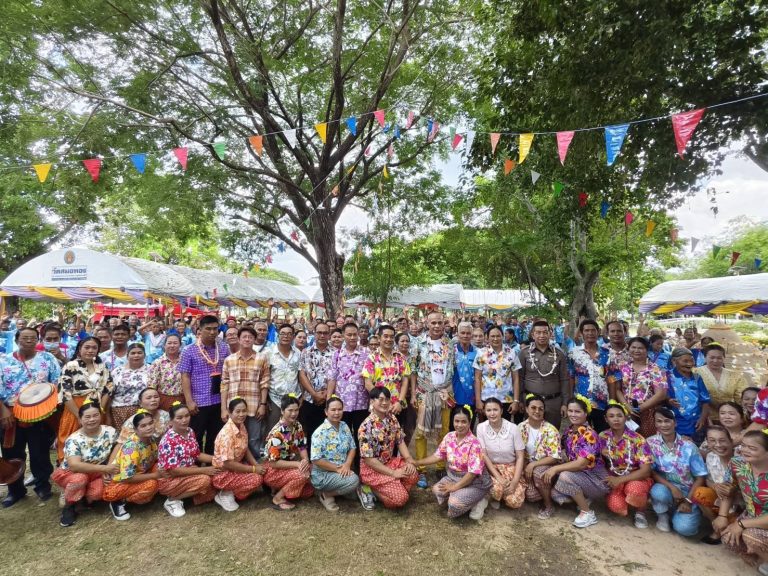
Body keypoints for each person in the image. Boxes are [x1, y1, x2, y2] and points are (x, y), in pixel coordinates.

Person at [0, 327, 61, 507]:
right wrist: (3, 410)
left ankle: (43, 486)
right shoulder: (3, 361)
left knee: (40, 452)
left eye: (33, 338)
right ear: (17, 339)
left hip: (41, 414)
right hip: (10, 414)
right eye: (25, 337)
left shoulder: (48, 359)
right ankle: (15, 490)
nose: (29, 341)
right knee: (12, 452)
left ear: (38, 340)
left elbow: (56, 383)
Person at [541, 395, 609, 528]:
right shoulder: (569, 431)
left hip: (597, 478)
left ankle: (588, 513)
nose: (573, 414)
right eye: (570, 411)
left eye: (577, 411)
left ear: (586, 413)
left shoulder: (589, 434)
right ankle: (584, 499)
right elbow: (558, 448)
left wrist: (555, 469)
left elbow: (581, 463)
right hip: (581, 475)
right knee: (556, 494)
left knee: (565, 476)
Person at [414, 404, 491, 520]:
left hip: (474, 483)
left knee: (454, 505)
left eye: (463, 422)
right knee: (436, 490)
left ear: (469, 422)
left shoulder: (474, 443)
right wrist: (417, 463)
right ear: (453, 421)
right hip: (453, 478)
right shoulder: (449, 437)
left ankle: (480, 499)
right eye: (456, 421)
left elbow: (472, 473)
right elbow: (437, 456)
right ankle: (460, 497)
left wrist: (454, 487)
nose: (459, 425)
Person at [51, 400, 119, 527]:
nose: (92, 419)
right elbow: (74, 465)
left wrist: (107, 468)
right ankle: (69, 506)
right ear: (80, 419)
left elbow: (118, 445)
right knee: (79, 479)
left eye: (95, 415)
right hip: (72, 473)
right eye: (87, 417)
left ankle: (83, 499)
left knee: (99, 492)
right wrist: (105, 468)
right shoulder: (74, 439)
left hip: (96, 472)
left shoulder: (110, 431)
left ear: (101, 415)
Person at [410, 311, 456, 488]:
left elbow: (452, 369)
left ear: (444, 324)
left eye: (439, 323)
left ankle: (440, 467)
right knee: (421, 433)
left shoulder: (450, 344)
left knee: (443, 431)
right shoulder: (418, 343)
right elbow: (413, 370)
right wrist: (413, 394)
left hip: (444, 393)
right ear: (427, 324)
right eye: (433, 323)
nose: (437, 326)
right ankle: (421, 469)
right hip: (424, 393)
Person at [647, 406, 708, 536]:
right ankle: (663, 514)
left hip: (688, 492)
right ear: (655, 423)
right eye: (659, 421)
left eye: (667, 421)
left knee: (686, 529)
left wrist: (688, 501)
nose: (663, 425)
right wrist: (672, 488)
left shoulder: (689, 446)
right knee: (659, 492)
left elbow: (700, 477)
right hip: (666, 488)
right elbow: (651, 471)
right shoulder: (650, 443)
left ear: (675, 422)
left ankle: (678, 512)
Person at [713, 430, 768, 573]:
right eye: (743, 445)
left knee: (750, 537)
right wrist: (722, 516)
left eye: (752, 448)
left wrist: (741, 524)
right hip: (752, 516)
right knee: (728, 537)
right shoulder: (737, 463)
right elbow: (728, 489)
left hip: (762, 520)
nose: (745, 450)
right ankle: (758, 553)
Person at [358, 386, 419, 509]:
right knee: (400, 499)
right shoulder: (366, 427)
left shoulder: (392, 418)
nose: (385, 403)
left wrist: (408, 460)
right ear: (372, 401)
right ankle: (368, 489)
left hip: (390, 462)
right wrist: (393, 473)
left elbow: (400, 440)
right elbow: (368, 460)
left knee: (413, 474)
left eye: (387, 399)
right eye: (380, 399)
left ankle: (392, 485)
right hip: (372, 470)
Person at [156, 401, 219, 517]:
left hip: (189, 471)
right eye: (179, 418)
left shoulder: (189, 431)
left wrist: (217, 460)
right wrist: (204, 470)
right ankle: (172, 499)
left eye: (187, 416)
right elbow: (173, 471)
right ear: (171, 421)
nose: (184, 420)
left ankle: (190, 495)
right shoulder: (168, 440)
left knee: (214, 482)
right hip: (171, 479)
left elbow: (197, 455)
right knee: (205, 480)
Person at [57, 337, 114, 462]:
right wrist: (79, 415)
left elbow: (109, 388)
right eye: (87, 347)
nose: (90, 350)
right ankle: (73, 469)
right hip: (76, 407)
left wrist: (102, 409)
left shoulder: (102, 366)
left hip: (97, 407)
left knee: (97, 439)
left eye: (94, 348)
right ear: (79, 349)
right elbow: (65, 393)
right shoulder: (70, 366)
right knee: (72, 437)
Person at [179, 314, 230, 454]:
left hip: (219, 400)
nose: (212, 332)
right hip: (199, 402)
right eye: (208, 329)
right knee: (196, 435)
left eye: (215, 329)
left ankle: (210, 467)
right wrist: (189, 401)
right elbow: (185, 376)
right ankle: (194, 466)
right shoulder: (189, 350)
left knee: (215, 436)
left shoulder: (224, 348)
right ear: (199, 330)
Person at [599, 400, 654, 528]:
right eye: (611, 416)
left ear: (626, 417)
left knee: (634, 490)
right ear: (606, 419)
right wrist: (600, 452)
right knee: (616, 505)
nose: (616, 419)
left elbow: (646, 471)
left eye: (619, 415)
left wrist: (621, 480)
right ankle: (622, 497)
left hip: (636, 477)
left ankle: (641, 512)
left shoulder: (638, 439)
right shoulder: (603, 436)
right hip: (614, 476)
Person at [220, 326, 270, 459]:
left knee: (254, 439)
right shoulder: (229, 360)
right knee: (234, 438)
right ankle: (237, 466)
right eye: (244, 337)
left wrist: (263, 404)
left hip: (254, 406)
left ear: (254, 339)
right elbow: (224, 385)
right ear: (238, 339)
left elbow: (264, 383)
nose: (247, 339)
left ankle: (255, 467)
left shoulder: (262, 358)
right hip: (234, 408)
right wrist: (224, 409)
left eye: (250, 337)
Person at [102, 410, 161, 521]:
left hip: (140, 474)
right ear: (135, 429)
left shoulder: (150, 439)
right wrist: (155, 476)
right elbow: (128, 477)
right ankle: (118, 501)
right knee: (151, 485)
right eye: (143, 425)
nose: (149, 427)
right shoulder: (131, 447)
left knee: (161, 467)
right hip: (119, 483)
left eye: (150, 423)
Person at [211, 397, 265, 512]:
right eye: (238, 411)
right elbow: (228, 464)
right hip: (223, 473)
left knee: (263, 470)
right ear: (230, 413)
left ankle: (231, 492)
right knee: (256, 479)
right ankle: (225, 494)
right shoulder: (227, 434)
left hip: (236, 467)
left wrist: (256, 465)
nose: (241, 414)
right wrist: (254, 469)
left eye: (244, 411)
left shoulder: (241, 425)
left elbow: (245, 449)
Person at [310, 395, 361, 512]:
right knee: (354, 481)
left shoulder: (344, 426)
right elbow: (316, 460)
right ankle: (326, 494)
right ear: (326, 412)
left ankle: (341, 488)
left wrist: (347, 464)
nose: (337, 413)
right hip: (323, 475)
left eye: (339, 409)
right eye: (333, 410)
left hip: (342, 469)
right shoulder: (320, 433)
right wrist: (337, 469)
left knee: (355, 491)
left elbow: (352, 447)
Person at [263, 394, 313, 510]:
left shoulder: (297, 425)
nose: (294, 413)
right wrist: (298, 464)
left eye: (296, 410)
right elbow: (273, 463)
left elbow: (301, 446)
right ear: (282, 411)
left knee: (309, 488)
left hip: (288, 466)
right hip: (273, 471)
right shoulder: (276, 433)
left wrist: (305, 460)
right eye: (290, 410)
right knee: (302, 475)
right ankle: (277, 498)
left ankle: (278, 489)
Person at [326, 322, 370, 456]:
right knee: (341, 434)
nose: (352, 337)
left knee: (360, 434)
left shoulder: (367, 353)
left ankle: (359, 464)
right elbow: (332, 377)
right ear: (343, 336)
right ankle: (341, 462)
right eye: (349, 334)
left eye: (354, 334)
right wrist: (329, 399)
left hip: (361, 402)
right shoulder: (337, 354)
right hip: (342, 403)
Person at [362, 324, 411, 441]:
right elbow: (368, 383)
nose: (388, 339)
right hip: (378, 407)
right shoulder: (372, 358)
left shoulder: (400, 358)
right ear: (379, 338)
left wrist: (399, 402)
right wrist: (383, 402)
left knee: (396, 439)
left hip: (397, 407)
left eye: (391, 337)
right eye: (385, 336)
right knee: (378, 439)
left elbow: (405, 381)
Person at [477, 397, 526, 510]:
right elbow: (483, 455)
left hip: (511, 468)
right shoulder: (481, 428)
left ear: (501, 411)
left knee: (515, 502)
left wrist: (514, 482)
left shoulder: (513, 428)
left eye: (495, 410)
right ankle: (494, 497)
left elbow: (520, 457)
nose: (492, 413)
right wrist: (498, 477)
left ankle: (502, 497)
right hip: (491, 469)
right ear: (484, 412)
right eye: (488, 410)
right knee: (496, 489)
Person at [518, 320, 569, 427]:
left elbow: (564, 380)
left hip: (553, 403)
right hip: (531, 402)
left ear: (550, 334)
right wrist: (520, 400)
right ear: (533, 334)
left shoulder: (559, 354)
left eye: (545, 332)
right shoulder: (524, 353)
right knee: (531, 436)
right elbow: (519, 378)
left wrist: (564, 403)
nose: (542, 335)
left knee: (552, 435)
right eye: (538, 332)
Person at [615, 337, 669, 438]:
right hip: (625, 411)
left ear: (647, 350)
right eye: (633, 347)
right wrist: (627, 407)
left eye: (640, 348)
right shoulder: (621, 367)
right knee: (627, 442)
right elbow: (617, 389)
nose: (636, 350)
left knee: (648, 442)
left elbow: (661, 394)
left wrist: (640, 408)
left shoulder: (656, 369)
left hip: (648, 413)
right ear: (628, 349)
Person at [692, 425, 736, 545]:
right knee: (700, 493)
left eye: (722, 440)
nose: (718, 445)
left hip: (740, 505)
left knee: (732, 539)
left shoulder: (741, 460)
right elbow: (708, 480)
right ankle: (716, 526)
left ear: (731, 441)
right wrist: (715, 486)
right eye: (712, 441)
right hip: (719, 500)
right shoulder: (711, 457)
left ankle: (726, 525)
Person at [519, 393, 562, 518]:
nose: (537, 411)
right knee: (531, 496)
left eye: (540, 409)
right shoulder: (520, 427)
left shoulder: (551, 430)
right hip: (527, 468)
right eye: (533, 408)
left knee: (538, 473)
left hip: (545, 467)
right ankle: (547, 491)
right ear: (527, 409)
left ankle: (548, 505)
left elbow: (554, 457)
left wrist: (533, 464)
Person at [568, 319, 612, 432]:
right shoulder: (574, 353)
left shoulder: (607, 353)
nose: (590, 333)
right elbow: (571, 377)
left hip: (602, 402)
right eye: (586, 330)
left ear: (598, 332)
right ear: (582, 333)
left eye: (593, 330)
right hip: (581, 402)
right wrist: (570, 399)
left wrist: (612, 400)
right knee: (581, 435)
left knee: (603, 434)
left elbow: (612, 378)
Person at [298, 320, 334, 453]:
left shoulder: (336, 353)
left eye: (325, 333)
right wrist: (314, 393)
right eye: (319, 332)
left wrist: (326, 396)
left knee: (328, 433)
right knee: (311, 431)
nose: (322, 335)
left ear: (329, 335)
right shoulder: (306, 352)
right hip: (310, 399)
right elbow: (302, 374)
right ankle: (312, 462)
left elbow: (336, 376)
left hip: (329, 400)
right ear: (314, 333)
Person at [473, 325, 522, 420]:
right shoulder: (481, 353)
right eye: (492, 336)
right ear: (487, 338)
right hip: (486, 399)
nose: (495, 339)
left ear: (502, 336)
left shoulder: (511, 353)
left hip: (505, 399)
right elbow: (477, 378)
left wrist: (516, 401)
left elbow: (516, 379)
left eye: (498, 336)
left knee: (504, 428)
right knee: (486, 429)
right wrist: (478, 400)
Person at [264, 324, 302, 437]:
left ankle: (292, 454)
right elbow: (264, 377)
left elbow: (300, 375)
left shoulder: (298, 353)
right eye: (283, 334)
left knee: (293, 431)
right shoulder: (269, 353)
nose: (286, 336)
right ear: (278, 335)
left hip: (294, 398)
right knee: (274, 432)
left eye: (289, 334)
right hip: (275, 399)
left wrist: (302, 396)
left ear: (293, 336)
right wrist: (265, 400)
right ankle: (272, 454)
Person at [667, 347, 711, 443]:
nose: (690, 364)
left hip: (696, 423)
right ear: (674, 360)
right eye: (685, 361)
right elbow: (661, 396)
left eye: (692, 360)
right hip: (676, 422)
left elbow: (706, 401)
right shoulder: (667, 377)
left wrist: (702, 419)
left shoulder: (697, 378)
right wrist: (668, 400)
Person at [695, 342, 748, 417]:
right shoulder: (695, 373)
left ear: (724, 358)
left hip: (728, 417)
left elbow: (741, 398)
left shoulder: (735, 375)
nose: (715, 361)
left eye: (719, 358)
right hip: (702, 417)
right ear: (705, 357)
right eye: (712, 357)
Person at [109, 342, 150, 430]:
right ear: (127, 356)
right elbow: (109, 392)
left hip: (141, 410)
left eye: (139, 353)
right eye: (133, 353)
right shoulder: (117, 371)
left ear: (144, 355)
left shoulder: (150, 370)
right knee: (120, 439)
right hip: (118, 410)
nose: (136, 355)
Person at [147, 333, 184, 410]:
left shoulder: (185, 360)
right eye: (169, 343)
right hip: (164, 400)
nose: (172, 345)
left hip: (183, 399)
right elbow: (152, 386)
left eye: (175, 343)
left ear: (180, 345)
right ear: (164, 345)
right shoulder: (157, 363)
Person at [453, 321, 478, 418]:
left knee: (469, 423)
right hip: (454, 395)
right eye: (462, 333)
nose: (465, 335)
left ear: (472, 335)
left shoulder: (478, 352)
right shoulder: (451, 350)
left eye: (468, 333)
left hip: (472, 396)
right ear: (458, 334)